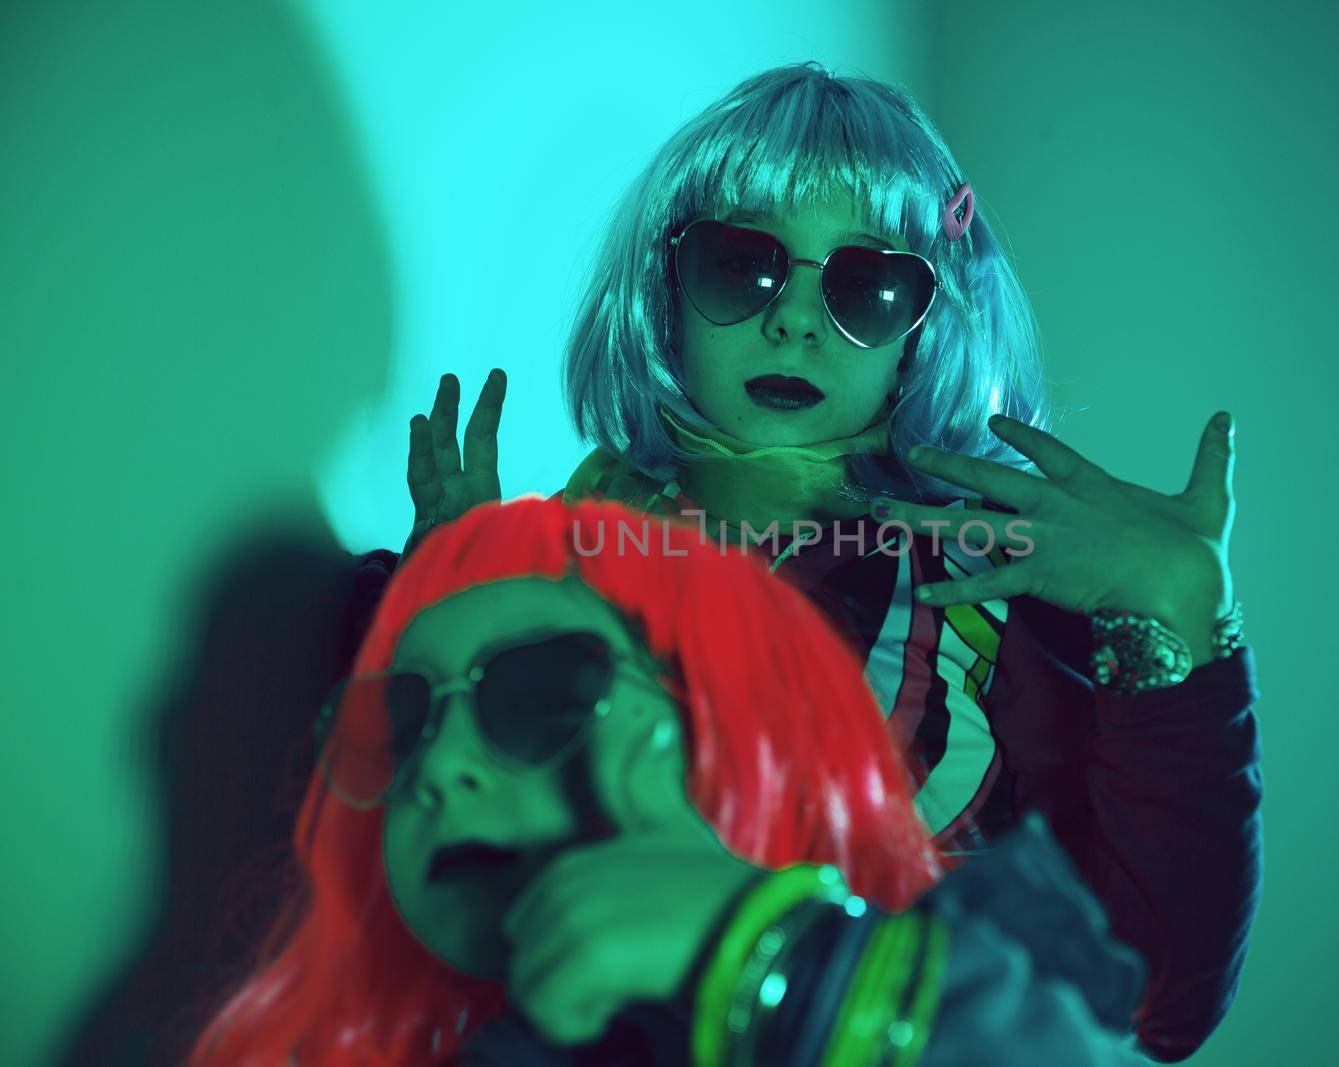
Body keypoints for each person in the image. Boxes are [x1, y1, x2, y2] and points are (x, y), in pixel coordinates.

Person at [388, 62, 1262, 1061]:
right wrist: (434, 619)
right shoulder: (557, 555)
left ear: (919, 333)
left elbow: (1156, 1001)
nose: (794, 320)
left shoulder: (991, 587)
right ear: (665, 291)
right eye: (739, 264)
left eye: (867, 284)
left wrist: (1181, 629)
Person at [185, 496, 1155, 1067]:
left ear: (736, 731)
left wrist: (763, 952)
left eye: (536, 692)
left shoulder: (978, 983)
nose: (438, 766)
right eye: (399, 720)